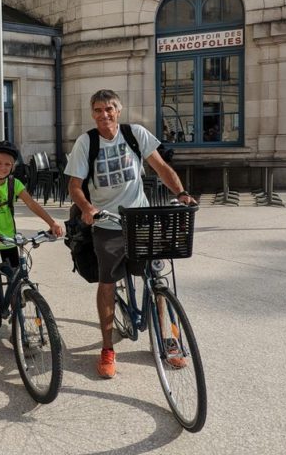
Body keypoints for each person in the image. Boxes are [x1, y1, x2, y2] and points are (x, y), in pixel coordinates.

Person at [64, 89, 197, 379]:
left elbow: (161, 168)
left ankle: (167, 338)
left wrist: (182, 192)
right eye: (98, 110)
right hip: (107, 223)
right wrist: (87, 208)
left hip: (141, 219)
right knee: (108, 283)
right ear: (92, 113)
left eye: (109, 108)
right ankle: (108, 348)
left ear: (119, 110)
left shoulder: (135, 134)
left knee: (157, 279)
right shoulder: (86, 142)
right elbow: (74, 185)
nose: (104, 115)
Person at [0, 140, 64, 356]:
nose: (2, 167)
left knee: (16, 280)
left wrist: (51, 223)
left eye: (7, 164)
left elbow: (32, 204)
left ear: (13, 166)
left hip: (9, 238)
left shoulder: (15, 184)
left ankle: (18, 327)